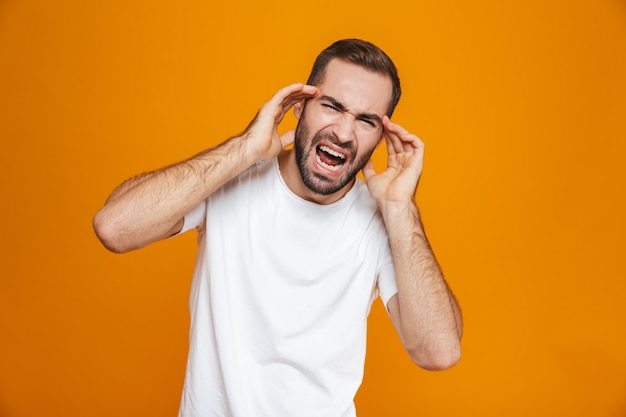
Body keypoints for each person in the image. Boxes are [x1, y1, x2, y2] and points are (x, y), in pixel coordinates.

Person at [94, 38, 463, 417]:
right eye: (332, 106)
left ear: (381, 136)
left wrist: (401, 208)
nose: (344, 133)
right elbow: (114, 228)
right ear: (299, 104)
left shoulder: (382, 219)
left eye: (366, 120)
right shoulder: (232, 178)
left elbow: (439, 351)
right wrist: (243, 150)